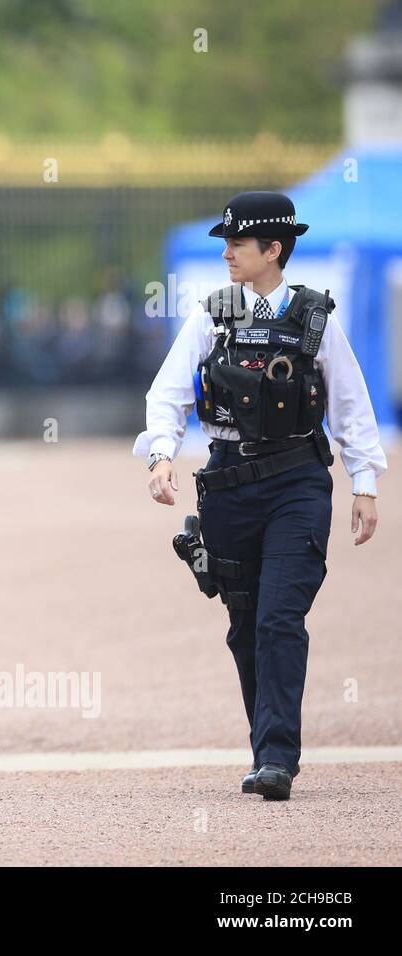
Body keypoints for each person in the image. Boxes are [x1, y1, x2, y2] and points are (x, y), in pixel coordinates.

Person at [135, 191, 386, 801]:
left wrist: (366, 484)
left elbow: (351, 405)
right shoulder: (212, 314)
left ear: (273, 250)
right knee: (245, 623)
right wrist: (161, 454)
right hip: (226, 486)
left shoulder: (316, 320)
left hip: (297, 483)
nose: (225, 254)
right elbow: (167, 393)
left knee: (280, 617)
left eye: (237, 244)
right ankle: (264, 746)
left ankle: (277, 757)